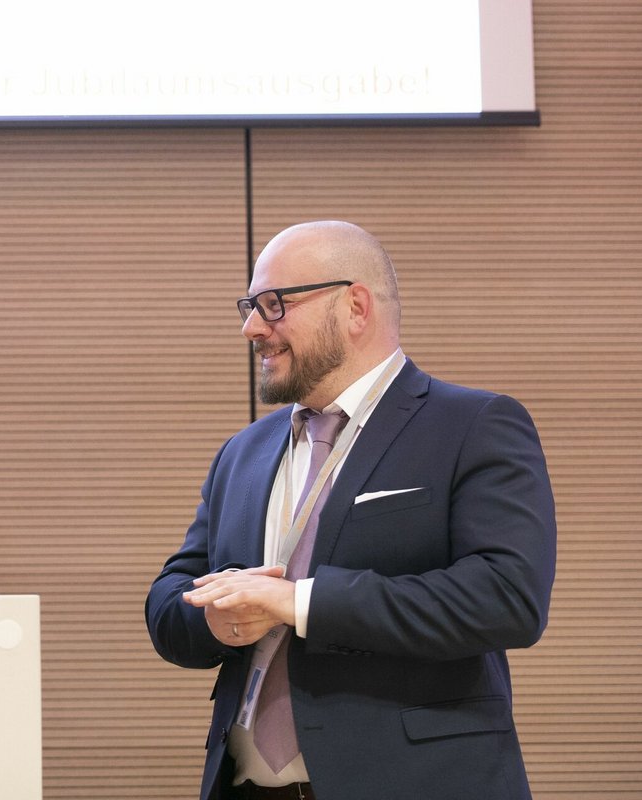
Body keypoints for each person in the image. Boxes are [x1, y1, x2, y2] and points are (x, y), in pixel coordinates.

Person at [145, 221, 555, 800]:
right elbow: (171, 593)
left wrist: (302, 601)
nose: (251, 327)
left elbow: (507, 598)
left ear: (355, 306)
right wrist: (213, 620)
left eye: (274, 305)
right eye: (250, 307)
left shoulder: (474, 426)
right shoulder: (244, 452)